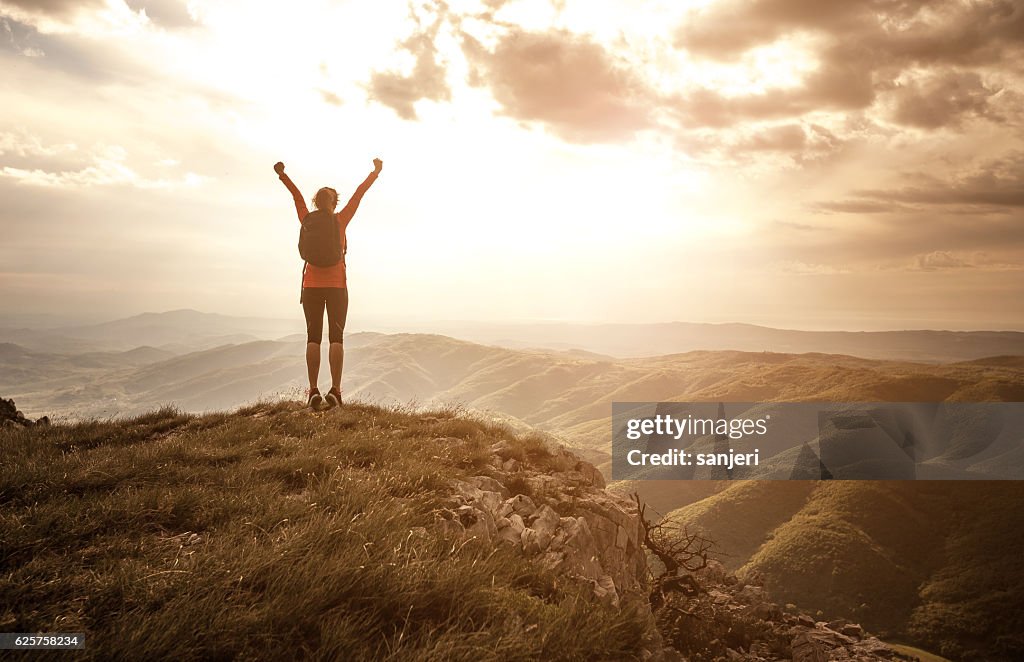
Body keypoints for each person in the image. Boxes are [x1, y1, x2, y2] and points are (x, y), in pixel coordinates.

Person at [275, 157, 383, 409]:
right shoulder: (341, 220)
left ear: (315, 203)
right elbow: (359, 194)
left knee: (313, 337)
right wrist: (375, 172)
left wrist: (283, 174)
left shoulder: (306, 218)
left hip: (311, 285)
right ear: (334, 203)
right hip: (337, 286)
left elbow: (296, 197)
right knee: (336, 337)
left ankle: (313, 390)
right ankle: (335, 390)